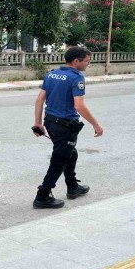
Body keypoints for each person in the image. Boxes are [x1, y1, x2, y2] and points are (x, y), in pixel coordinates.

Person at [32, 46, 103, 209]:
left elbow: (39, 101)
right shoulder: (76, 78)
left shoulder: (51, 74)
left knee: (70, 153)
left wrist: (38, 123)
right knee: (59, 159)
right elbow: (79, 106)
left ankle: (72, 187)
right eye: (87, 61)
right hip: (65, 125)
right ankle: (42, 196)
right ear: (76, 61)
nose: (88, 64)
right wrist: (96, 124)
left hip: (50, 122)